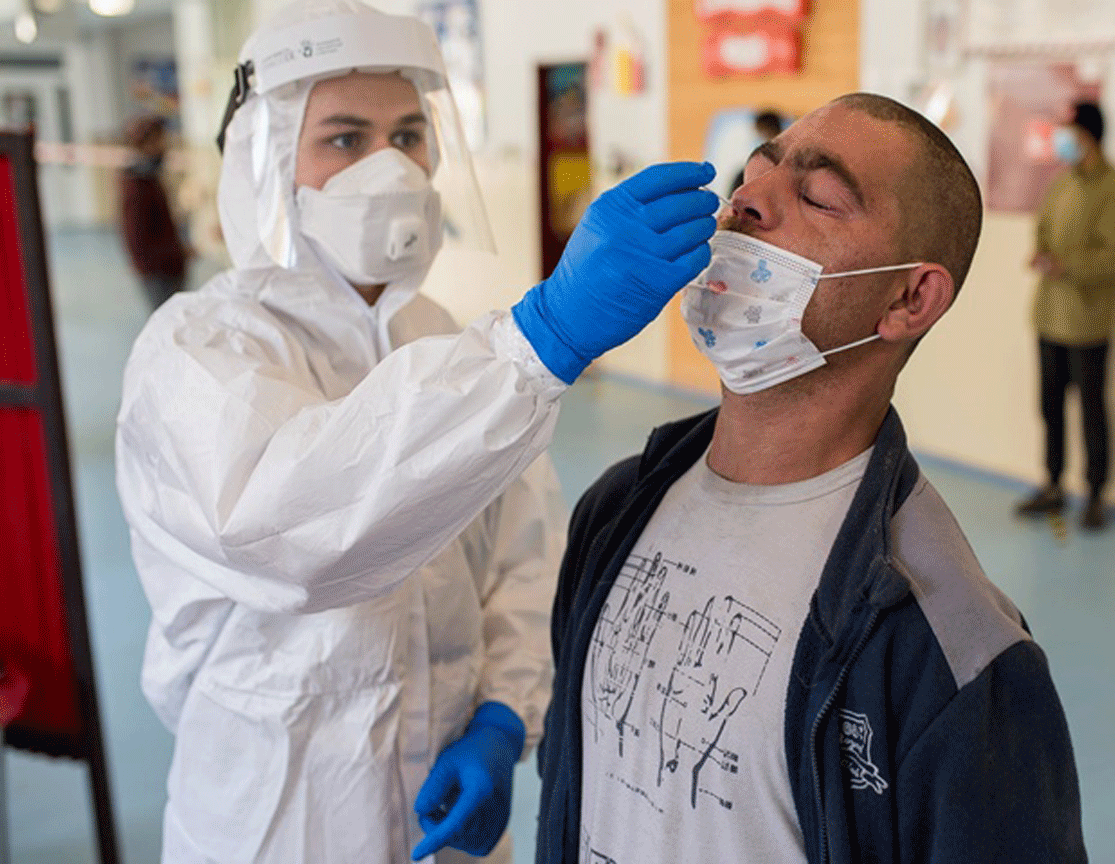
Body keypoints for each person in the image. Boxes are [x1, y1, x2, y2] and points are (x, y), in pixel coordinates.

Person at [113, 2, 717, 863]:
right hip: (279, 815)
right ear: (268, 162)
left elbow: (522, 551)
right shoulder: (198, 348)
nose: (390, 167)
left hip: (445, 788)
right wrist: (538, 341)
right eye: (346, 139)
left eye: (408, 134)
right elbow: (295, 528)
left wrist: (505, 715)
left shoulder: (445, 341)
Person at [535, 93, 1086, 864]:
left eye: (818, 197)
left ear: (910, 297)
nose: (747, 202)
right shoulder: (615, 509)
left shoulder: (954, 652)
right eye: (752, 176)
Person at [1016, 101, 1115, 531]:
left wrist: (1067, 265)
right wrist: (1042, 253)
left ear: (1089, 135)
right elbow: (1044, 227)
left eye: (1069, 132)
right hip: (1050, 315)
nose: (1062, 141)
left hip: (1088, 322)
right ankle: (1052, 485)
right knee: (1050, 406)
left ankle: (1095, 494)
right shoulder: (1062, 183)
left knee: (1091, 409)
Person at [118, 115, 188, 309]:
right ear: (146, 144)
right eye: (159, 140)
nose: (164, 145)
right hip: (159, 273)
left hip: (168, 267)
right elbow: (137, 240)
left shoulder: (149, 178)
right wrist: (173, 254)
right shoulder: (137, 186)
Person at [728, 108, 783, 195]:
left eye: (766, 134)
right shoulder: (743, 176)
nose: (761, 142)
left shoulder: (787, 176)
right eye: (759, 135)